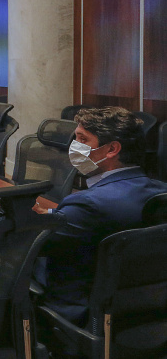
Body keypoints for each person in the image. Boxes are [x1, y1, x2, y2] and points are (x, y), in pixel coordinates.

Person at [35, 106, 167, 327]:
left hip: (80, 313)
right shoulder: (161, 193)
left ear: (112, 149)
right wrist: (53, 215)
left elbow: (35, 245)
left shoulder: (87, 204)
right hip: (144, 310)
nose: (73, 147)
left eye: (82, 139)